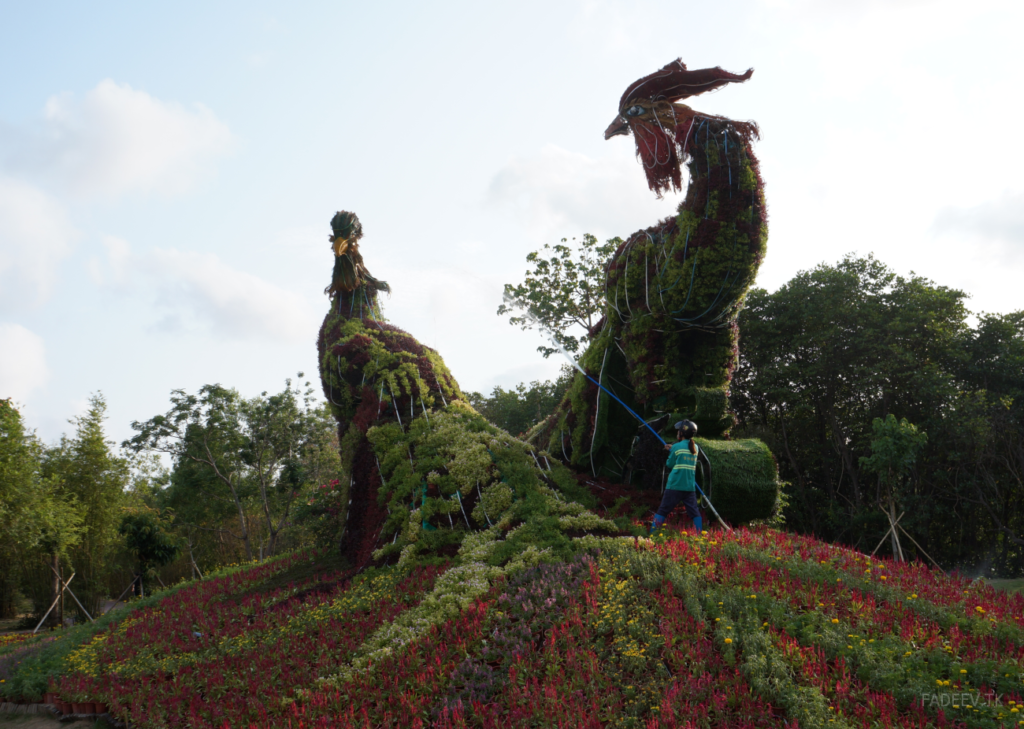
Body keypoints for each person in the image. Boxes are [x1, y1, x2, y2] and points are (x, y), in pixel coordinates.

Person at [650, 420, 703, 535]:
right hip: (689, 487)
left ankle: (652, 535)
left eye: (678, 431)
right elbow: (682, 452)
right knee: (695, 513)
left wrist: (671, 450)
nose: (677, 433)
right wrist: (672, 448)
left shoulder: (676, 447)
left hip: (674, 485)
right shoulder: (696, 448)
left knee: (663, 510)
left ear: (682, 433)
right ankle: (699, 535)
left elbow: (670, 464)